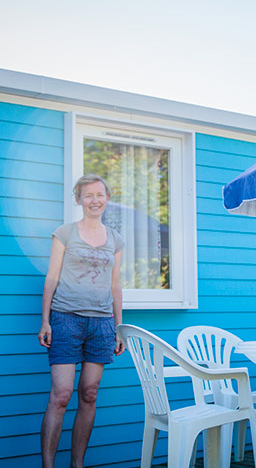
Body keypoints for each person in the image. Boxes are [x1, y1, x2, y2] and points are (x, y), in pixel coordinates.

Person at [37, 174, 125, 468]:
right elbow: (52, 277)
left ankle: (77, 465)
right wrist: (45, 320)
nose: (94, 200)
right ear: (78, 200)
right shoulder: (64, 233)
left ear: (107, 198)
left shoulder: (115, 239)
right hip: (65, 320)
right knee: (61, 395)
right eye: (87, 195)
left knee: (89, 394)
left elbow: (116, 286)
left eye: (99, 194)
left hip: (101, 324)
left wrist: (118, 328)